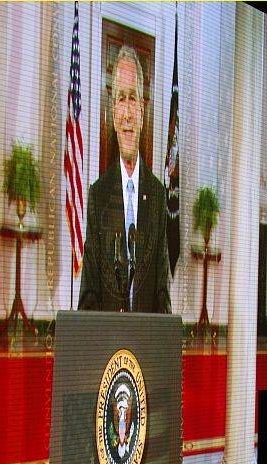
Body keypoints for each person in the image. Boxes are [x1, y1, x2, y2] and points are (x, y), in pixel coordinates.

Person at [78, 45, 171, 313]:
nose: (127, 113)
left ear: (142, 112)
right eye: (120, 99)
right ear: (113, 114)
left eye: (133, 98)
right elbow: (89, 293)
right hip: (109, 349)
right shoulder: (98, 195)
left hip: (144, 348)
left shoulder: (157, 195)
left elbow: (162, 293)